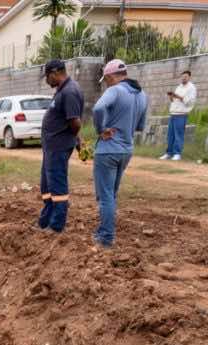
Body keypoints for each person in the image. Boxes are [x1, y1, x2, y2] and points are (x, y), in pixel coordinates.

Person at [89, 59, 148, 248]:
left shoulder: (115, 90)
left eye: (106, 80)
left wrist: (101, 129)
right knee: (111, 194)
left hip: (108, 150)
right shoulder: (141, 95)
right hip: (126, 150)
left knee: (105, 195)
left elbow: (98, 108)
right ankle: (104, 230)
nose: (106, 83)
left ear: (110, 76)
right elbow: (140, 126)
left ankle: (106, 236)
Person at [36, 58, 83, 234]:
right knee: (47, 187)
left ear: (55, 73)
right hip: (51, 148)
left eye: (47, 77)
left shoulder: (70, 91)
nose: (47, 81)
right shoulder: (62, 90)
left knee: (57, 187)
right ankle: (45, 221)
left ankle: (56, 226)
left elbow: (75, 122)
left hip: (59, 147)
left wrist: (78, 142)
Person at [162, 70, 196, 161]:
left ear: (189, 77)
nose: (183, 78)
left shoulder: (191, 88)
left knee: (178, 134)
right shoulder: (179, 87)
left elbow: (189, 102)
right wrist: (171, 97)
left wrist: (178, 97)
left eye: (185, 76)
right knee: (170, 135)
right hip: (173, 113)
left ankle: (177, 153)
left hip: (181, 114)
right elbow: (174, 101)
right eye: (182, 76)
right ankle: (169, 153)